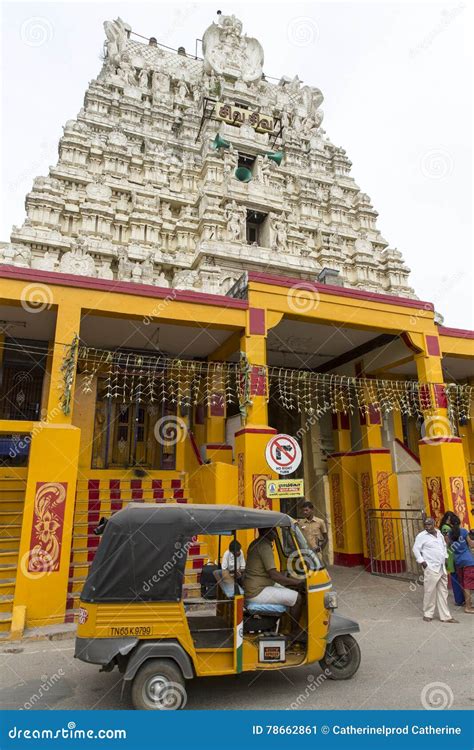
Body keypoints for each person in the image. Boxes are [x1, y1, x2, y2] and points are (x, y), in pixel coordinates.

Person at [244, 528, 304, 639]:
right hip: (257, 591)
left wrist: (288, 581)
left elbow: (269, 572)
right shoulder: (264, 546)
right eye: (273, 531)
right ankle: (295, 632)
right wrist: (297, 582)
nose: (276, 534)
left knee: (289, 591)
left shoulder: (257, 543)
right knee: (298, 598)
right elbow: (273, 575)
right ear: (267, 532)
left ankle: (285, 628)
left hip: (255, 586)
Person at [412, 517, 458, 623]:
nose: (427, 527)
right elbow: (416, 549)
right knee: (430, 591)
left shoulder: (439, 533)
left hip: (441, 567)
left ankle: (445, 616)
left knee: (443, 591)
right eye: (425, 525)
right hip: (431, 567)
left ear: (434, 524)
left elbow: (443, 546)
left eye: (429, 524)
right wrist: (422, 562)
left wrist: (446, 557)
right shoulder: (421, 536)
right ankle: (428, 613)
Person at [439, 512, 465, 607]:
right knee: (455, 577)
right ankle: (459, 599)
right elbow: (447, 541)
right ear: (449, 518)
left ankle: (460, 598)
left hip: (451, 553)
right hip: (451, 554)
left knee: (456, 576)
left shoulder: (446, 527)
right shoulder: (446, 528)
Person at [450, 525, 474, 614]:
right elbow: (471, 544)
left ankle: (468, 603)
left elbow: (449, 546)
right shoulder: (463, 531)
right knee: (468, 585)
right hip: (469, 561)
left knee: (465, 584)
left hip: (459, 562)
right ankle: (468, 607)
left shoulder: (449, 534)